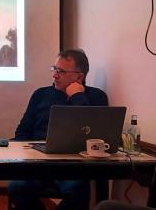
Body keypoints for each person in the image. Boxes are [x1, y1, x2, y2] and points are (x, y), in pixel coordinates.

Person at [8, 49, 109, 210]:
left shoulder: (96, 97)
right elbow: (22, 133)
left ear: (79, 77)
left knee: (77, 190)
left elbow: (96, 135)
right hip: (38, 163)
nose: (54, 75)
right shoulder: (41, 95)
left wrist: (77, 97)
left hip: (74, 166)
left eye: (61, 71)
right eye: (54, 69)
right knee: (17, 187)